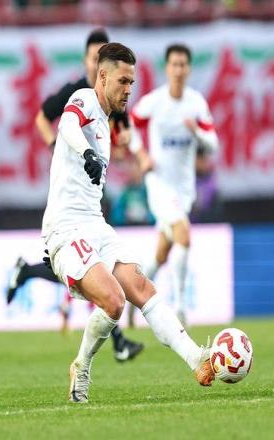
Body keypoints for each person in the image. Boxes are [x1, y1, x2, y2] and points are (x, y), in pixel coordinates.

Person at [42, 42, 215, 403]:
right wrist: (86, 152)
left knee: (142, 287)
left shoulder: (107, 125)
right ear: (102, 77)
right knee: (114, 301)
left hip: (95, 224)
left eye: (132, 83)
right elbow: (68, 124)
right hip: (66, 227)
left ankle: (196, 357)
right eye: (122, 81)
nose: (128, 90)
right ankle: (82, 365)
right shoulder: (84, 99)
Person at [7, 28, 143, 363]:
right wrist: (59, 146)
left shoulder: (115, 95)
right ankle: (119, 341)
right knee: (90, 265)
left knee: (86, 266)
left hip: (95, 190)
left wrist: (125, 148)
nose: (98, 63)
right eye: (94, 56)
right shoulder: (75, 93)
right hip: (70, 190)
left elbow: (122, 141)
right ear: (87, 61)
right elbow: (43, 118)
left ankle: (27, 271)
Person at [128, 44, 219, 326]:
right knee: (183, 233)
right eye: (174, 65)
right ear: (167, 69)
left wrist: (197, 133)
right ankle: (180, 307)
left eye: (183, 65)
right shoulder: (154, 102)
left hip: (184, 189)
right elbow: (129, 123)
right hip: (159, 184)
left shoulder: (196, 103)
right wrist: (142, 155)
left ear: (188, 69)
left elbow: (213, 144)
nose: (178, 70)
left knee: (162, 252)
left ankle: (133, 295)